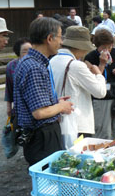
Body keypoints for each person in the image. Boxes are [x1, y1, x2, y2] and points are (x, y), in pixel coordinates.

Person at [13, 17, 73, 166]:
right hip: (42, 137)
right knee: (50, 182)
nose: (61, 42)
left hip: (39, 136)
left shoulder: (30, 62)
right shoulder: (34, 67)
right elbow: (39, 113)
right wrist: (61, 107)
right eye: (59, 37)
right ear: (49, 38)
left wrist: (55, 103)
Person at [50, 26, 107, 141]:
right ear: (79, 47)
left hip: (58, 120)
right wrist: (98, 74)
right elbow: (100, 92)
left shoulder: (52, 60)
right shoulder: (76, 65)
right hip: (77, 124)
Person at [84, 29, 115, 139]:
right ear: (97, 46)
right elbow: (92, 79)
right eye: (104, 48)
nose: (107, 50)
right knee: (103, 131)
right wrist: (102, 64)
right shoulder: (90, 57)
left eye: (110, 46)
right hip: (101, 99)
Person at [5, 38, 32, 117]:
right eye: (24, 51)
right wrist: (9, 107)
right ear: (18, 52)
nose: (28, 53)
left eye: (30, 50)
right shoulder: (11, 66)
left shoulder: (36, 64)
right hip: (19, 107)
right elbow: (9, 88)